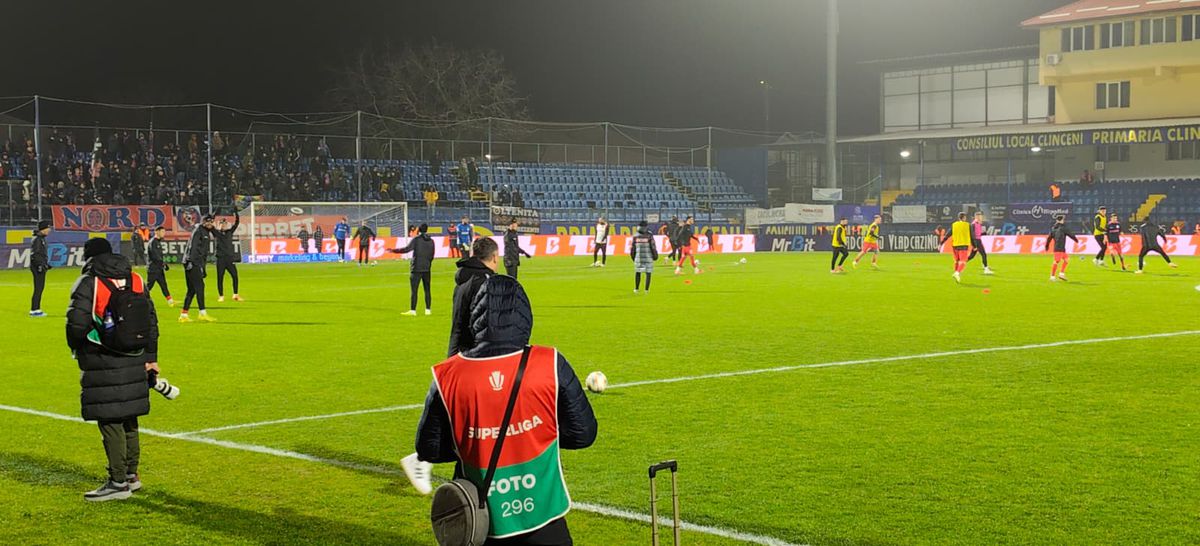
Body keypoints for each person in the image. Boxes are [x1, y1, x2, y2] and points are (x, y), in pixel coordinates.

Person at [412, 275, 597, 544]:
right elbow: (584, 434)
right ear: (524, 314)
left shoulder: (447, 375)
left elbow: (428, 449)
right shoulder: (549, 362)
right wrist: (534, 436)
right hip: (544, 518)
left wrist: (474, 443)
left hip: (482, 520)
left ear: (477, 316)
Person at [66, 238, 160, 502]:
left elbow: (76, 324)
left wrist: (79, 349)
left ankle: (117, 482)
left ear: (88, 257)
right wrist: (151, 357)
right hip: (136, 355)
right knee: (130, 415)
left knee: (110, 419)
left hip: (103, 357)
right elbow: (152, 321)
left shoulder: (89, 282)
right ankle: (131, 475)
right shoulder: (136, 280)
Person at [447, 237, 499, 357]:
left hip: (456, 349)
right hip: (474, 355)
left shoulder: (463, 280)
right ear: (495, 257)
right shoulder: (486, 283)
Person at [389, 223, 435, 316]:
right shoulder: (431, 241)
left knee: (414, 290)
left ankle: (413, 310)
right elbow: (432, 255)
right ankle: (428, 310)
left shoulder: (416, 240)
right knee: (427, 290)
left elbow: (407, 249)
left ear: (419, 230)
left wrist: (394, 250)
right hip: (427, 268)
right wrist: (428, 263)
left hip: (416, 268)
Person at [180, 215, 216, 322]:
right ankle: (202, 313)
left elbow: (203, 253)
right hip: (192, 262)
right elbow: (193, 246)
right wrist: (190, 261)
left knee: (191, 290)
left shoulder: (203, 231)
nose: (210, 224)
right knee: (200, 287)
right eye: (209, 222)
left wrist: (203, 268)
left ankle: (183, 315)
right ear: (204, 222)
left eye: (212, 222)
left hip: (195, 263)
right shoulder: (199, 230)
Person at [211, 212, 243, 303]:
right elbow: (211, 223)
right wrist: (214, 214)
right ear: (219, 224)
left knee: (235, 276)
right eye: (221, 223)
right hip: (220, 259)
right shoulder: (216, 233)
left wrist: (236, 214)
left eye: (224, 223)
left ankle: (235, 295)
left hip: (229, 259)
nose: (223, 225)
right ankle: (221, 296)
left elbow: (237, 223)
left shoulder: (230, 232)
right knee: (220, 277)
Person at [145, 226, 174, 307]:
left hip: (158, 268)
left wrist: (162, 264)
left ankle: (170, 300)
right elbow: (155, 256)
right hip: (153, 269)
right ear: (157, 232)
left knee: (163, 285)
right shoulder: (153, 242)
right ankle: (139, 299)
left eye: (164, 232)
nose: (163, 233)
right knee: (149, 286)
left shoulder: (158, 242)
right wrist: (163, 263)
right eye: (162, 232)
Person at [939, 212, 972, 283]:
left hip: (955, 246)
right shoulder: (968, 225)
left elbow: (947, 235)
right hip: (963, 245)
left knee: (956, 261)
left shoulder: (954, 225)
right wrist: (975, 245)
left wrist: (941, 243)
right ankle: (957, 273)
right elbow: (972, 236)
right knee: (963, 261)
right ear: (964, 218)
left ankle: (957, 275)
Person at [1046, 215, 1078, 281]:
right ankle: (1052, 277)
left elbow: (1049, 238)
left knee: (1066, 259)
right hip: (1059, 248)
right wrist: (1075, 239)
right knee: (1056, 261)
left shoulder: (1053, 228)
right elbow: (1070, 234)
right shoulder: (1063, 228)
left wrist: (1047, 245)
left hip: (1059, 248)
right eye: (1063, 219)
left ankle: (1061, 273)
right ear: (1062, 220)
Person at [29, 220, 52, 317]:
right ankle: (34, 309)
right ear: (43, 229)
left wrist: (46, 264)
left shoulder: (40, 238)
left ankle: (36, 309)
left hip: (40, 266)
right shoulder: (38, 240)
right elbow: (35, 254)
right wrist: (40, 265)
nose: (49, 230)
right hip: (37, 267)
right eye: (48, 228)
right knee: (38, 288)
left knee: (39, 288)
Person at [631, 220, 659, 293]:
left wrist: (633, 257)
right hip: (648, 257)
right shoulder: (649, 235)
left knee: (638, 272)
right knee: (648, 273)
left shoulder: (635, 235)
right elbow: (653, 246)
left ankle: (636, 289)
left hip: (638, 257)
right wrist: (655, 255)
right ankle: (646, 290)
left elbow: (632, 248)